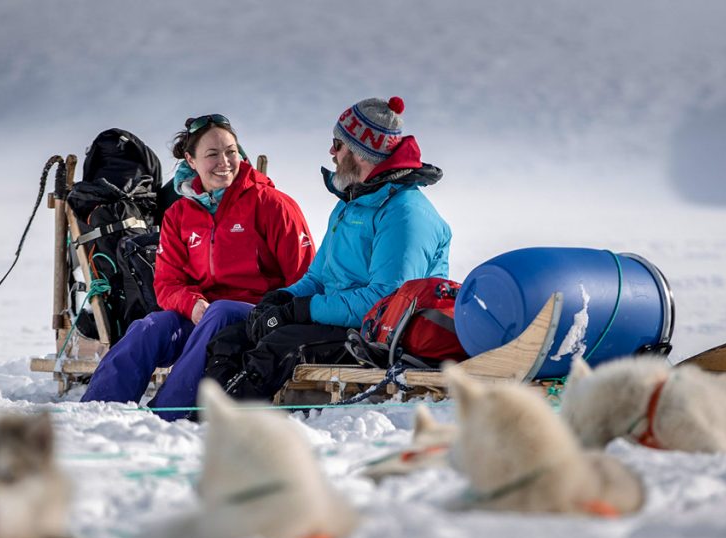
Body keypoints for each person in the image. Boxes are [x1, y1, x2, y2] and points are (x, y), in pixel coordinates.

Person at [205, 96, 452, 401]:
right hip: (340, 322)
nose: (332, 152)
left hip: (378, 336)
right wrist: (281, 299)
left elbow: (385, 303)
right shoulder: (350, 204)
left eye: (338, 144)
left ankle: (233, 420)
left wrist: (302, 310)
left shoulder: (405, 214)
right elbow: (318, 277)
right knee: (232, 337)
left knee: (279, 346)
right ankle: (202, 414)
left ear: (361, 152)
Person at [80, 114, 316, 418]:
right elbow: (167, 283)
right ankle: (94, 411)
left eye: (231, 152)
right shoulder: (179, 214)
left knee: (220, 312)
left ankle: (168, 414)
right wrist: (192, 305)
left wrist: (273, 313)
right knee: (151, 326)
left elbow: (305, 279)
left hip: (259, 317)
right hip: (203, 315)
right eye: (212, 154)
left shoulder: (273, 204)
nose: (224, 162)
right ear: (191, 160)